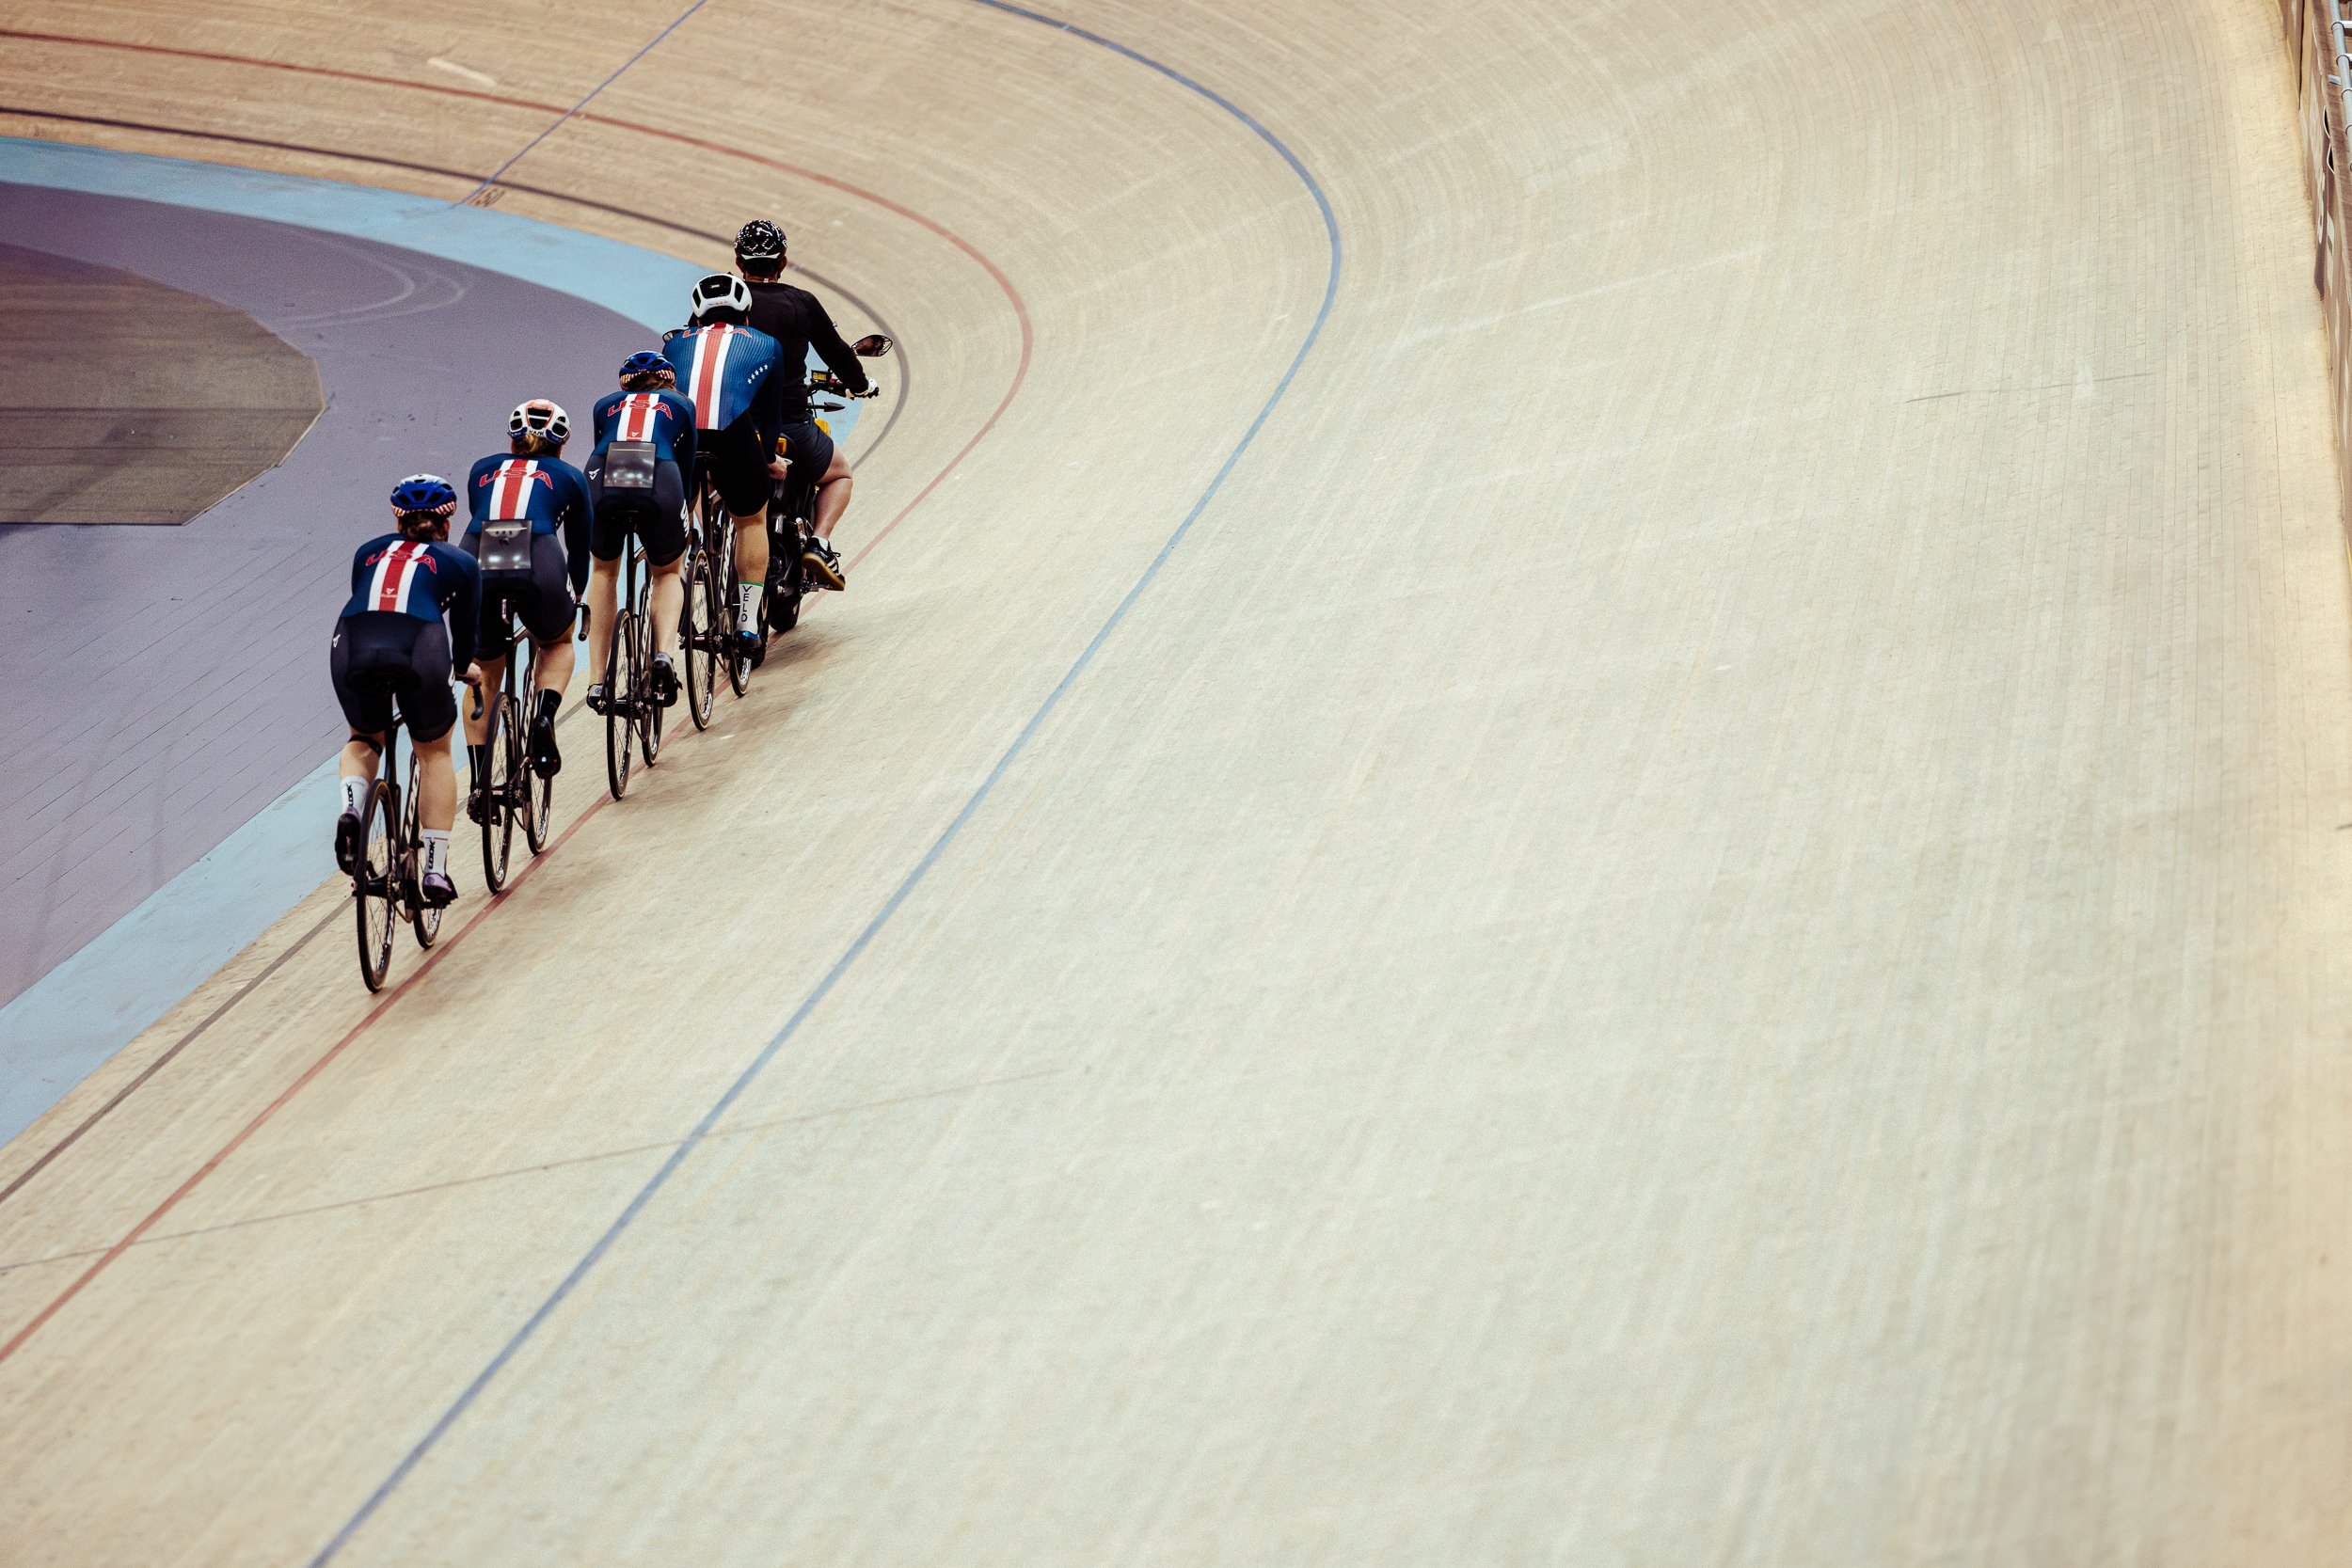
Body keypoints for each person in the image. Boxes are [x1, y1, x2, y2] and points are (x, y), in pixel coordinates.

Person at [330, 475, 481, 908]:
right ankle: (433, 870)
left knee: (363, 738)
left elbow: (368, 597)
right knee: (434, 751)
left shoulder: (366, 552)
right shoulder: (461, 562)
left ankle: (352, 810)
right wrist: (462, 669)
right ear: (447, 524)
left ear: (399, 522)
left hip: (353, 642)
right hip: (420, 645)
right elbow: (464, 639)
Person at [734, 218, 880, 591]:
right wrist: (861, 385)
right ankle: (820, 542)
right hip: (791, 423)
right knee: (839, 474)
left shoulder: (724, 301)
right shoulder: (800, 302)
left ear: (739, 262)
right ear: (782, 262)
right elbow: (837, 354)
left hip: (734, 426)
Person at [459, 399, 586, 806]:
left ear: (511, 441)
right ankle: (545, 716)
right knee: (556, 642)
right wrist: (577, 594)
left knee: (484, 668)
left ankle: (480, 784)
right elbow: (580, 548)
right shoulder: (569, 475)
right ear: (562, 445)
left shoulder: (481, 468)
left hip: (477, 555)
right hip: (538, 556)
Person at [662, 274, 785, 662]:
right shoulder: (767, 344)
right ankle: (748, 623)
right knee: (751, 518)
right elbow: (769, 419)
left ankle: (687, 563)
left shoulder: (673, 344)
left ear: (694, 318)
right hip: (732, 434)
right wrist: (768, 461)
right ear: (746, 314)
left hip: (680, 438)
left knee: (680, 511)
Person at [583, 352, 698, 705]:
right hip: (660, 473)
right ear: (669, 380)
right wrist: (685, 515)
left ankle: (597, 682)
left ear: (624, 385)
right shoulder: (682, 404)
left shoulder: (605, 405)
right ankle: (663, 654)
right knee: (666, 572)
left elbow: (600, 444)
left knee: (603, 571)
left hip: (603, 473)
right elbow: (688, 466)